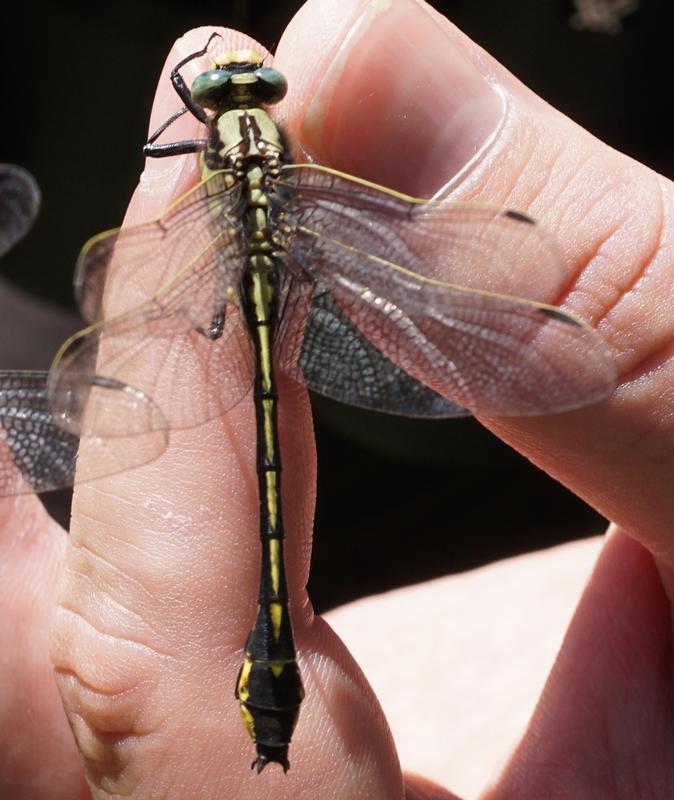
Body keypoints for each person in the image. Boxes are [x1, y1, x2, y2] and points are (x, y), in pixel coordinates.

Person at [2, 0, 672, 797]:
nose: (243, 91)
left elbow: (163, 151)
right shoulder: (287, 164)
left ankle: (273, 684)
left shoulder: (204, 144)